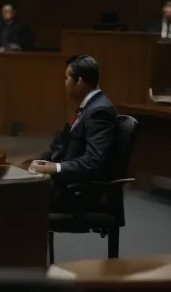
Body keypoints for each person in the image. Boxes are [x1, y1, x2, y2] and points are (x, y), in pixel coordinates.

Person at [25, 55, 121, 208]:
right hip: (69, 182)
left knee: (16, 195)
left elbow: (94, 162)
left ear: (80, 82)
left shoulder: (99, 111)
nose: (64, 83)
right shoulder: (91, 106)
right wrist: (44, 162)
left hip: (79, 191)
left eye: (66, 78)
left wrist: (55, 168)